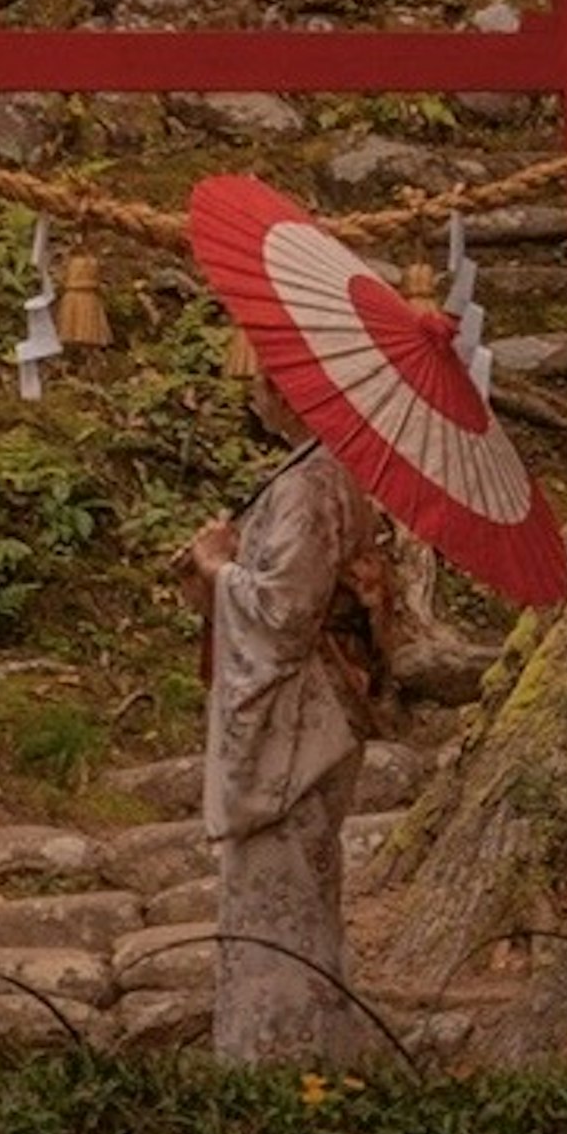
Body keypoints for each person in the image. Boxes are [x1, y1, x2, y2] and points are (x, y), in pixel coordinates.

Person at [187, 399, 397, 1064]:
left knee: (278, 897)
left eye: (262, 373)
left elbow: (284, 610)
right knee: (302, 890)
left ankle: (279, 1065)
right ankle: (316, 1060)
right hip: (325, 705)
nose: (251, 386)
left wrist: (218, 569)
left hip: (299, 716)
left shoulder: (308, 479)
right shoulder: (335, 469)